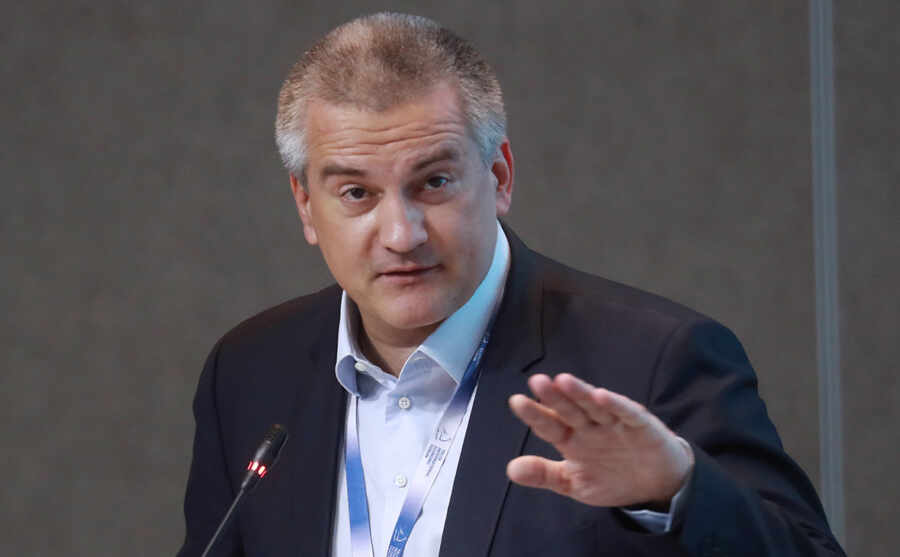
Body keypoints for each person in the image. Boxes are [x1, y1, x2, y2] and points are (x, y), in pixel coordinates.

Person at [177, 12, 845, 557]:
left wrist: (680, 491)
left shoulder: (653, 362)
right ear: (305, 205)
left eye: (434, 182)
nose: (402, 233)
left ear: (498, 177)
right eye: (356, 193)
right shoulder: (249, 371)